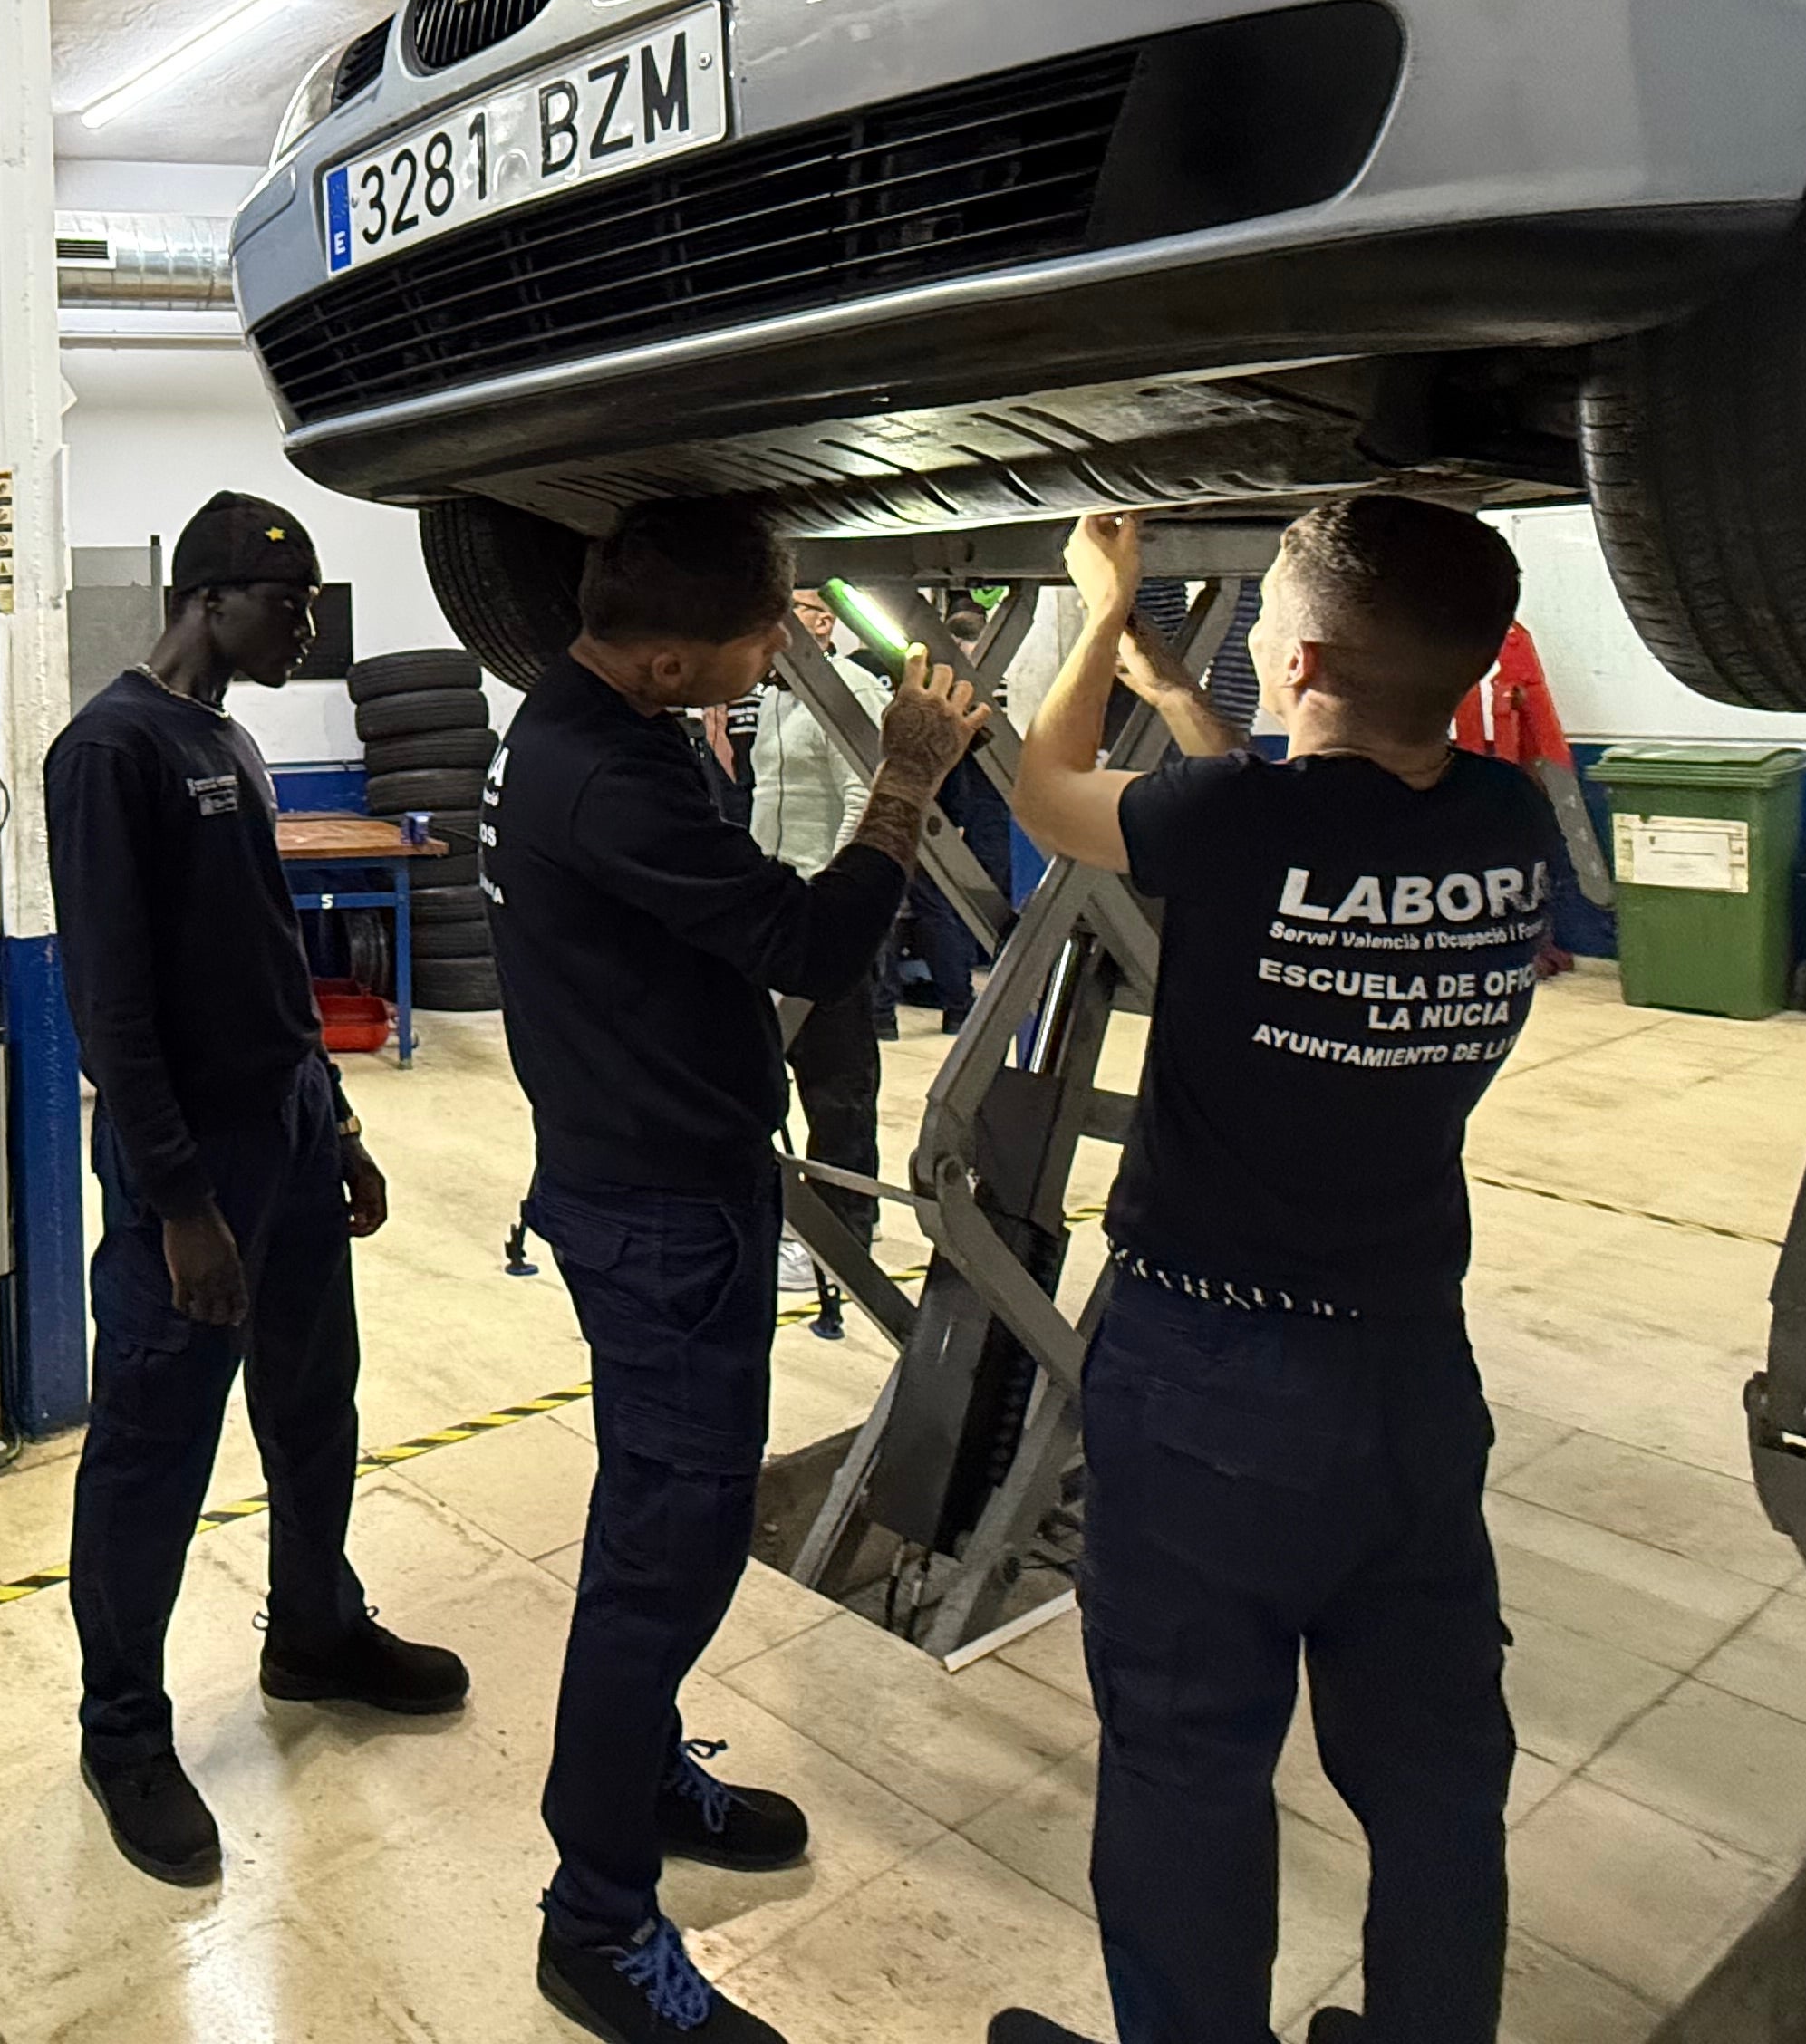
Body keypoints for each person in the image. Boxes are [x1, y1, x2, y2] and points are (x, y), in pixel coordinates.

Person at [987, 499, 1554, 2044]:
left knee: (1187, 1763)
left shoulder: (1237, 823)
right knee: (1436, 1772)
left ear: (1295, 662)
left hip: (1212, 1376)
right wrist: (1181, 696)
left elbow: (1046, 793)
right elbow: (1304, 812)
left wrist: (1099, 611)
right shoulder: (1505, 823)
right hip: (1411, 1378)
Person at [488, 497, 986, 2044]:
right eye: (757, 639)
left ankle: (641, 1776)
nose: (775, 654)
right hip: (658, 1219)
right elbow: (812, 944)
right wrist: (904, 779)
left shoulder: (577, 724)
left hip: (640, 1188)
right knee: (668, 1557)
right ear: (662, 659)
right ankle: (595, 1920)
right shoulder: (610, 774)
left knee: (657, 1525)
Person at [46, 489, 467, 1885]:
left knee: (313, 1406)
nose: (306, 633)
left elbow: (273, 955)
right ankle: (122, 1732)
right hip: (194, 1163)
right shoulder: (108, 750)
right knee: (153, 1451)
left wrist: (334, 1121)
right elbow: (111, 1004)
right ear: (208, 599)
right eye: (289, 608)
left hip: (286, 1137)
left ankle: (316, 1632)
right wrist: (180, 1205)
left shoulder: (228, 739)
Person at [749, 588, 897, 1301]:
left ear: (823, 620)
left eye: (799, 607)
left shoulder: (852, 693)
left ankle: (843, 1234)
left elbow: (864, 802)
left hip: (822, 915)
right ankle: (796, 1215)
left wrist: (832, 904)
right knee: (764, 1075)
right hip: (771, 914)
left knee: (837, 1087)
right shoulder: (772, 698)